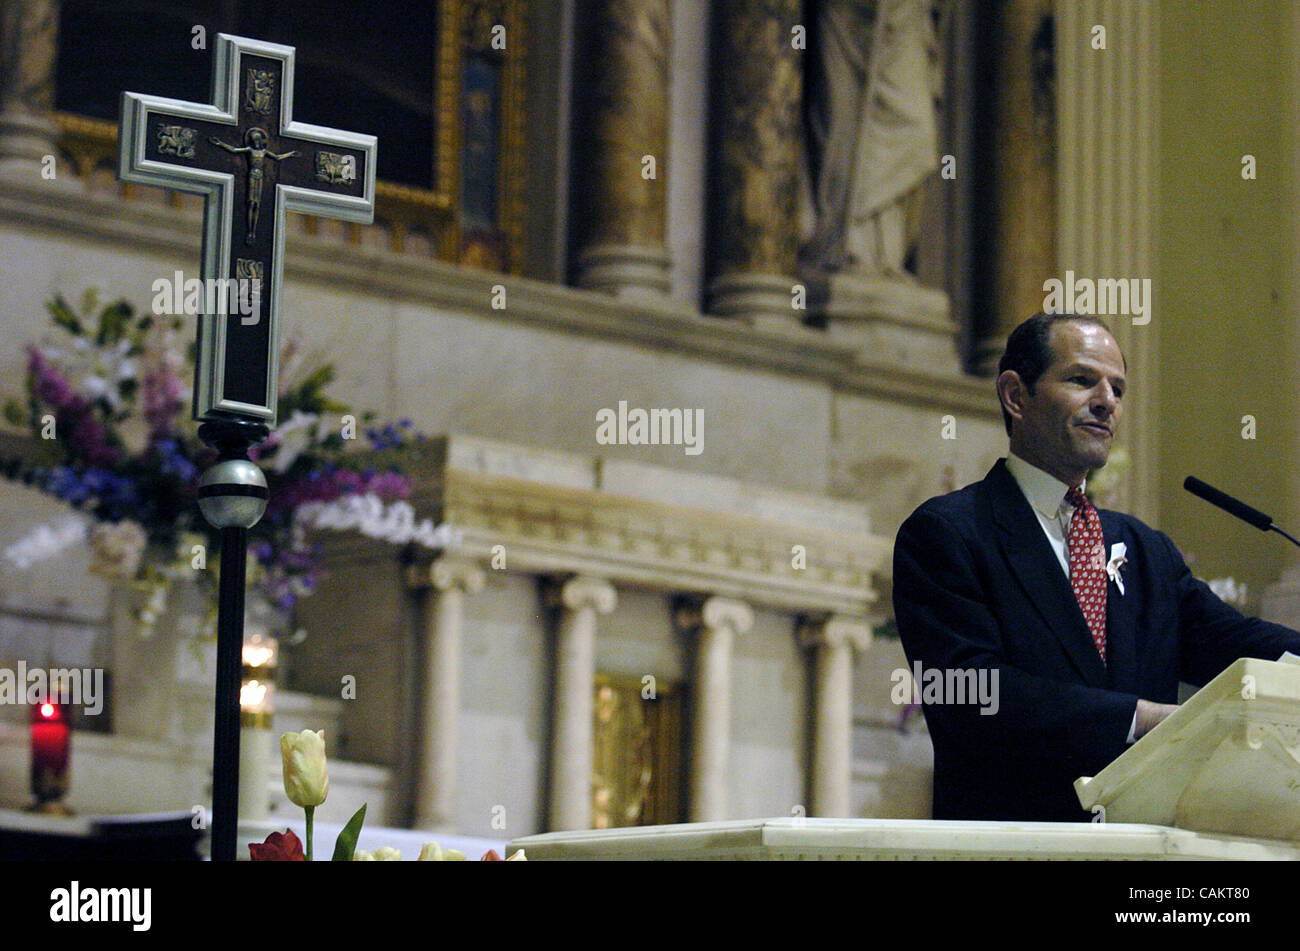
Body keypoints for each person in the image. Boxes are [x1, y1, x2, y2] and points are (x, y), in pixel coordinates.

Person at [892, 312, 1300, 821]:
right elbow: (969, 690)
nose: (1107, 401)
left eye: (1119, 389)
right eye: (1083, 379)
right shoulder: (949, 533)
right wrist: (1142, 720)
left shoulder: (1143, 549)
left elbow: (1236, 645)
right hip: (1016, 848)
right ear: (1016, 396)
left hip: (1141, 853)